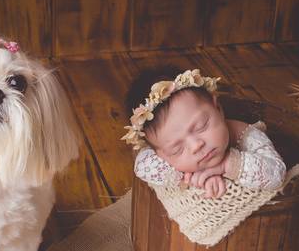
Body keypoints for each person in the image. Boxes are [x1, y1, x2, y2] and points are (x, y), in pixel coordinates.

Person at [121, 68, 287, 199]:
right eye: (177, 149)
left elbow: (276, 174)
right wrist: (193, 176)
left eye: (201, 126)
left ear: (218, 108)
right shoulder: (155, 154)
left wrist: (225, 165)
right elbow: (142, 166)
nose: (196, 146)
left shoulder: (247, 135)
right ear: (161, 154)